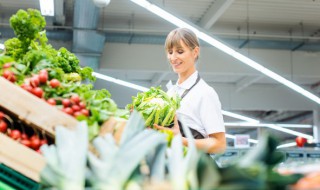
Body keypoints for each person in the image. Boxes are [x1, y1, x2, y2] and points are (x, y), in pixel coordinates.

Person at [154, 28, 226, 154]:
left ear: (195, 52)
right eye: (170, 52)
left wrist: (180, 140)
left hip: (193, 168)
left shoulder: (205, 93)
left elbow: (219, 145)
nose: (173, 58)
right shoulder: (170, 94)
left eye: (180, 51)